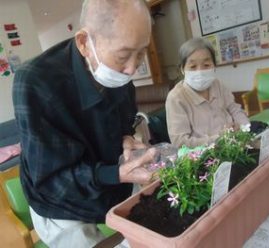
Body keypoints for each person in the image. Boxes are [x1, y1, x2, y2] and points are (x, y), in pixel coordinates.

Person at [13, 1, 156, 247]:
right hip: (59, 197)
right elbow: (52, 179)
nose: (132, 68)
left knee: (155, 227)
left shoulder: (121, 72)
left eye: (141, 52)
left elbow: (123, 123)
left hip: (111, 179)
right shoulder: (36, 83)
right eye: (123, 55)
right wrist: (115, 173)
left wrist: (127, 139)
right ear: (84, 43)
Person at [166, 38, 249, 148]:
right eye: (193, 66)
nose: (199, 71)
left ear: (214, 66)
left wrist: (244, 128)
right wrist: (220, 138)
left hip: (234, 144)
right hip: (204, 157)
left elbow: (234, 109)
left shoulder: (217, 84)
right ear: (182, 69)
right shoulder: (176, 98)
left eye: (206, 65)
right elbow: (179, 142)